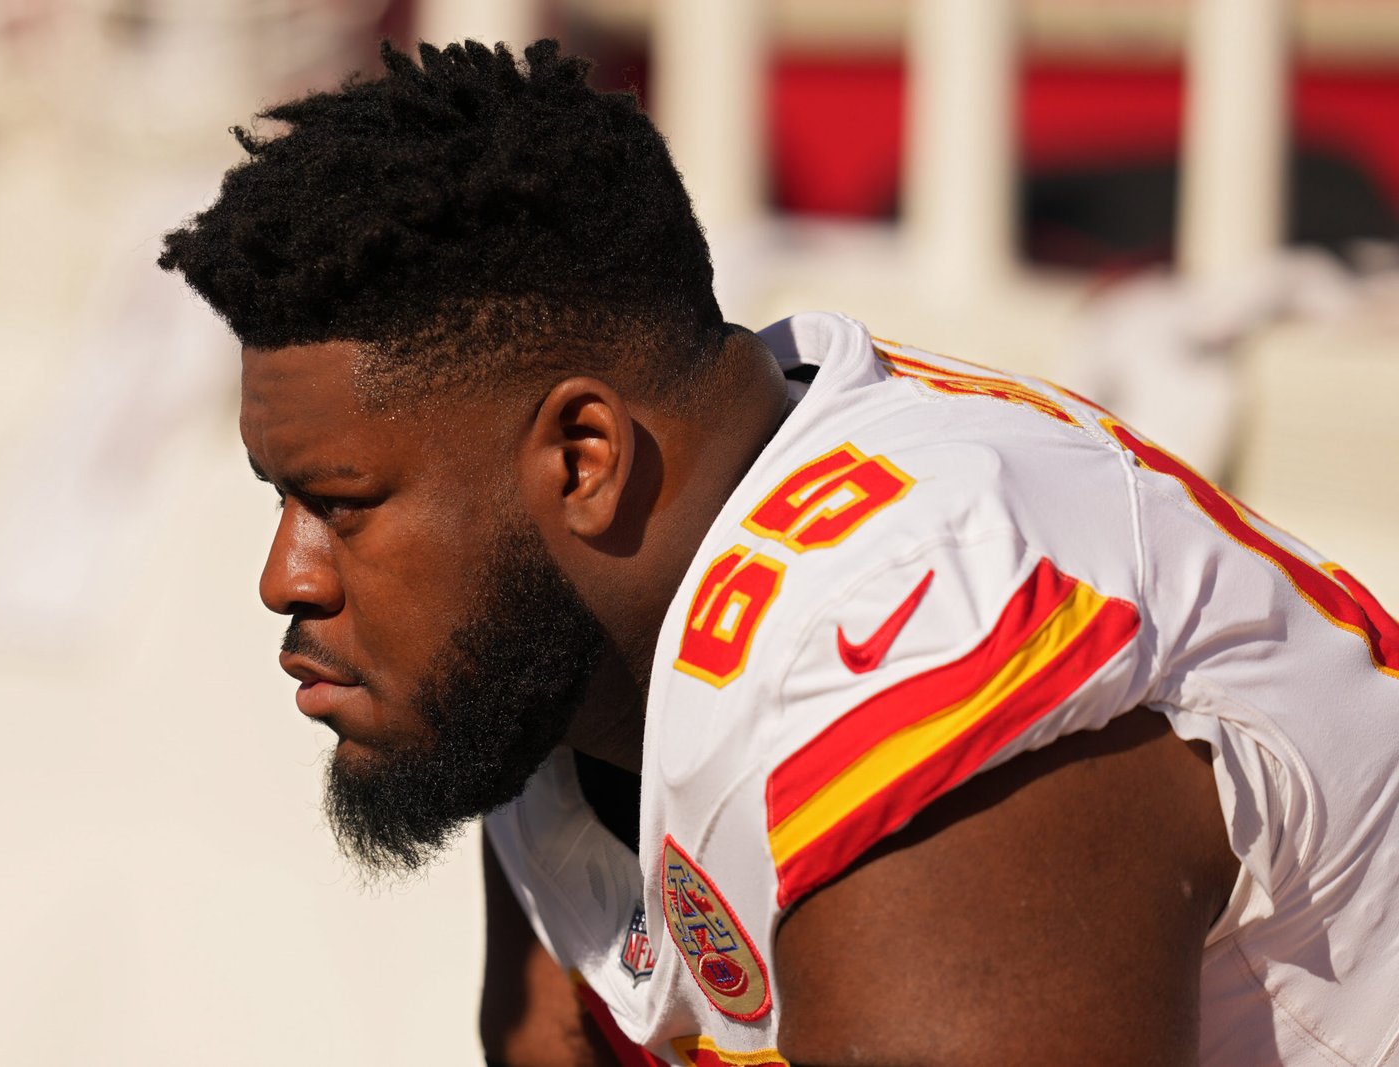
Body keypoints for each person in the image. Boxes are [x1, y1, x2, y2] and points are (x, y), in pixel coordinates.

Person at [158, 39, 1399, 1067]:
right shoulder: (563, 644)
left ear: (584, 458)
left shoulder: (913, 622)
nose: (289, 575)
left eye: (341, 502)